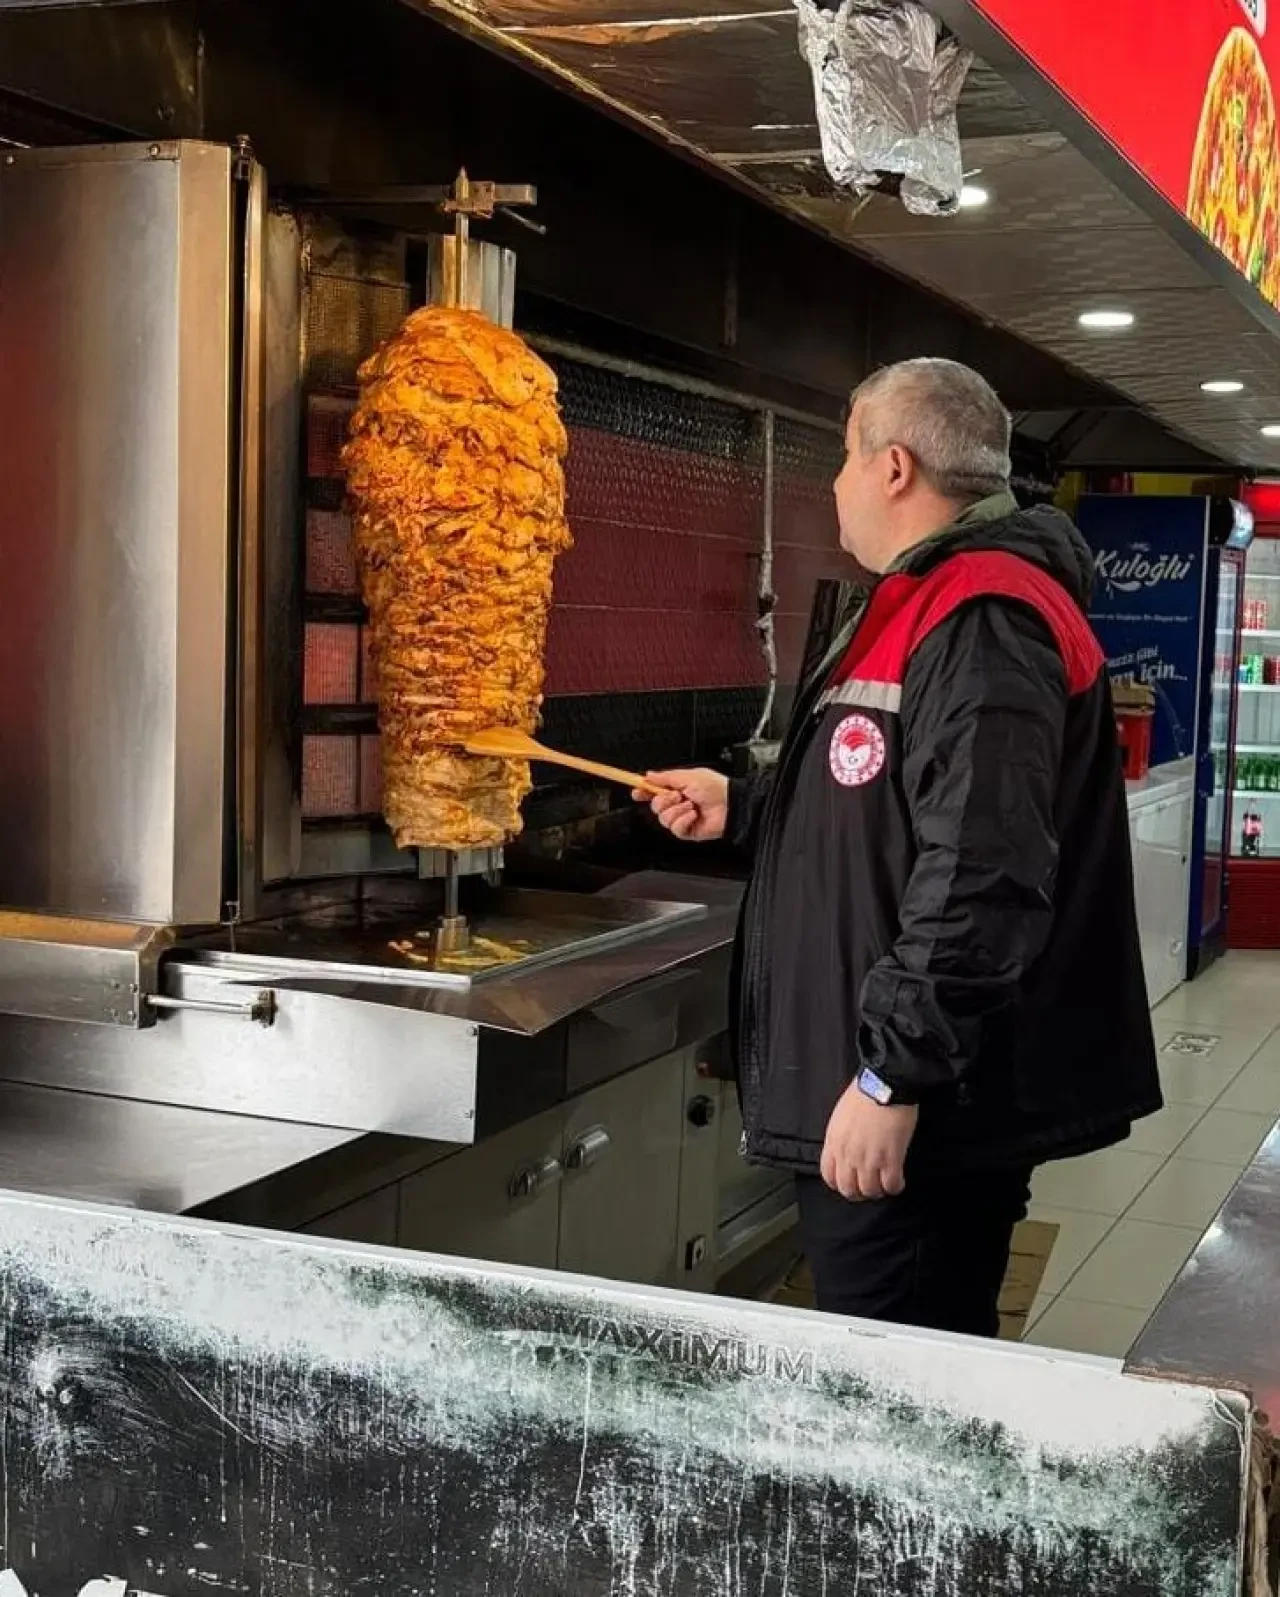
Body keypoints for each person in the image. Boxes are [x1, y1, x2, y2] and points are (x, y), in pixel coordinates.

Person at [641, 358, 1160, 1338]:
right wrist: (748, 806)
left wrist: (891, 1075)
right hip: (892, 1090)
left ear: (890, 467)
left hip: (923, 1112)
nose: (832, 483)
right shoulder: (920, 599)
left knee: (903, 1392)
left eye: (841, 456)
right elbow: (887, 791)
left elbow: (981, 874)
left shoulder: (984, 614)